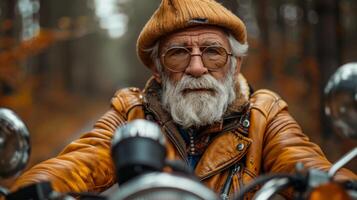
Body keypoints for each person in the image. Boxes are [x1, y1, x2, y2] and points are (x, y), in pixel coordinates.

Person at [11, 0, 356, 199]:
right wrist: (29, 191)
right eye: (178, 53)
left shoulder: (265, 114)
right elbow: (75, 164)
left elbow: (305, 162)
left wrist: (338, 190)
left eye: (212, 52)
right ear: (159, 70)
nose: (196, 67)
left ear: (235, 64)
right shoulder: (130, 111)